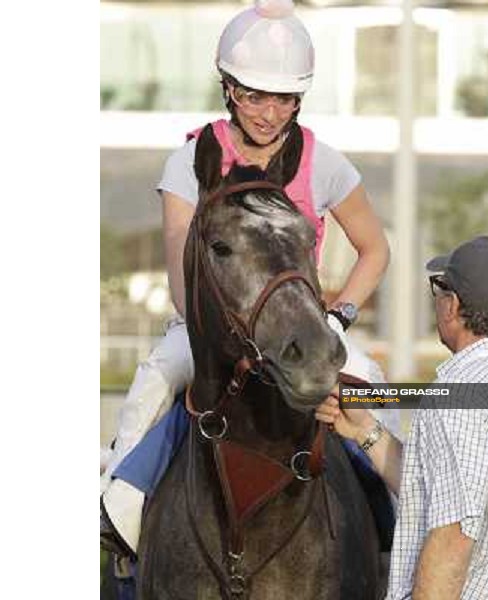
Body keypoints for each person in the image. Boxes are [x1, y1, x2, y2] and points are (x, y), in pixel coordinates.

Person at [100, 0, 390, 559]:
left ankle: (391, 517)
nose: (268, 112)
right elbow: (181, 270)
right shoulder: (189, 162)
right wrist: (222, 341)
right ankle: (121, 507)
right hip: (212, 326)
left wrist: (338, 316)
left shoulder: (324, 161)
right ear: (228, 88)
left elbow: (375, 249)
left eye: (283, 98)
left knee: (367, 379)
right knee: (159, 376)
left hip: (302, 326)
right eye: (255, 95)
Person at [316, 235, 488, 599]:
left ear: (452, 305)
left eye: (439, 290)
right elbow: (439, 491)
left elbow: (454, 531)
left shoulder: (458, 396)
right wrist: (364, 429)